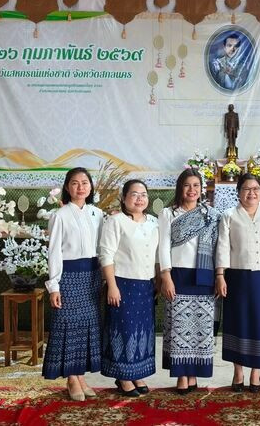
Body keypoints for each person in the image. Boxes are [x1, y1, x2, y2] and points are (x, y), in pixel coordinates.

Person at [216, 173, 260, 393]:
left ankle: (256, 373)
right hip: (236, 278)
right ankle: (238, 372)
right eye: (246, 189)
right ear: (238, 192)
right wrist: (220, 275)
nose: (251, 193)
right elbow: (222, 246)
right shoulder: (229, 215)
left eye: (255, 189)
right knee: (237, 323)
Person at [42, 167, 103, 401]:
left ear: (91, 186)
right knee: (68, 325)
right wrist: (54, 286)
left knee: (86, 327)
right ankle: (70, 378)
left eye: (85, 182)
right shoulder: (60, 215)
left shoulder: (98, 214)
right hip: (68, 277)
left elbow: (103, 249)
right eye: (75, 183)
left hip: (92, 277)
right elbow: (54, 252)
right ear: (67, 187)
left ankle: (80, 376)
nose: (80, 187)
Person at [159, 168, 220, 394]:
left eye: (196, 185)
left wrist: (219, 276)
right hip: (178, 275)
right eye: (187, 185)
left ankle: (194, 373)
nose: (192, 190)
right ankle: (181, 375)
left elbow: (218, 248)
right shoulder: (168, 214)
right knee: (178, 327)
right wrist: (166, 276)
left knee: (200, 327)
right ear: (180, 188)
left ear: (201, 189)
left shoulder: (211, 214)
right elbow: (163, 246)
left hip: (204, 275)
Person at [99, 180, 159, 397]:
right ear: (124, 198)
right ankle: (123, 376)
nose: (139, 198)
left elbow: (157, 255)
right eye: (134, 194)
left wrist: (158, 281)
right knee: (123, 329)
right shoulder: (115, 221)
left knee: (141, 330)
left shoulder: (154, 222)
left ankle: (137, 373)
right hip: (122, 284)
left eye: (143, 194)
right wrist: (112, 286)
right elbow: (106, 254)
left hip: (146, 285)